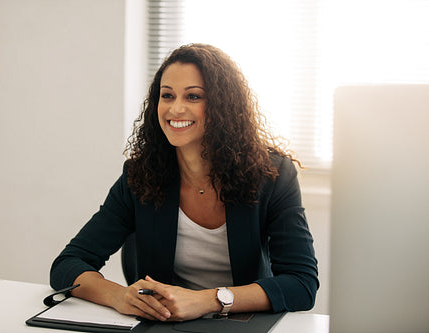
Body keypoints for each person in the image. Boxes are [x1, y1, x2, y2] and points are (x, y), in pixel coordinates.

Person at [50, 43, 319, 322]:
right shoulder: (140, 175)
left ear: (223, 106)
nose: (175, 108)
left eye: (193, 96)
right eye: (167, 95)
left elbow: (301, 284)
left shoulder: (272, 175)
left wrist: (206, 300)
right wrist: (118, 296)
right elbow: (68, 265)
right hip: (164, 326)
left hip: (240, 324)